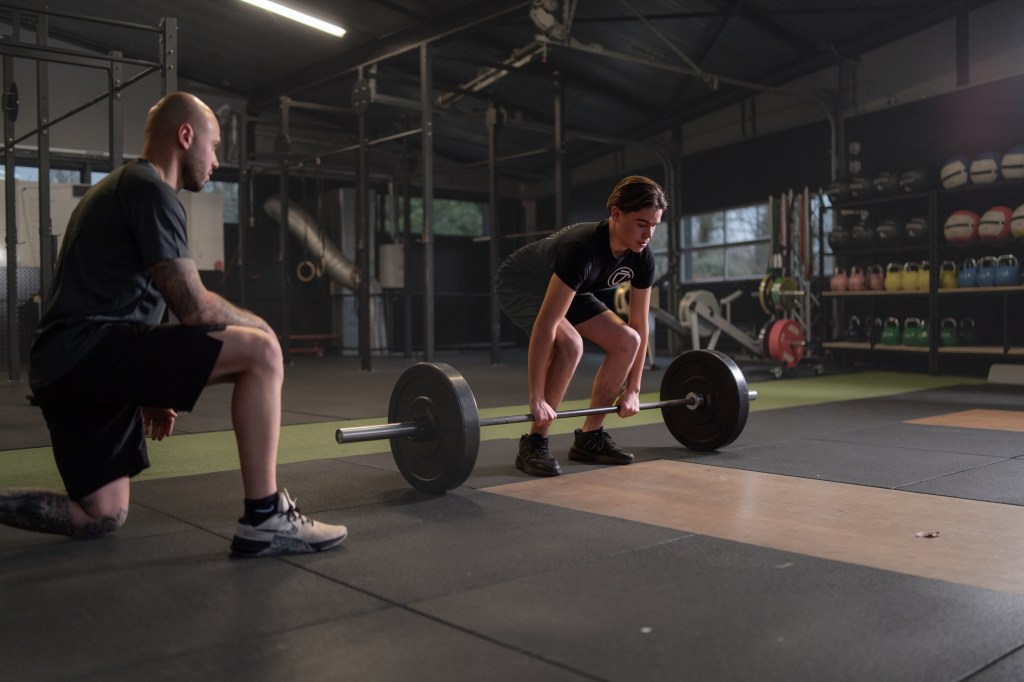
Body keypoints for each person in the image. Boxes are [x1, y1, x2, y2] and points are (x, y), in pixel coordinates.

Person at [0, 92, 347, 557]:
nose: (217, 161)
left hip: (66, 366)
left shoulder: (121, 188)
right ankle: (266, 517)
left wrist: (151, 390)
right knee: (262, 351)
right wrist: (263, 327)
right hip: (90, 352)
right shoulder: (150, 191)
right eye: (215, 145)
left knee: (101, 514)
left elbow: (135, 294)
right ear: (186, 136)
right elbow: (194, 308)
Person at [494, 175, 667, 477]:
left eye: (654, 225)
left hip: (571, 288)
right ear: (616, 213)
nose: (648, 233)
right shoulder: (582, 248)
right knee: (570, 344)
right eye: (641, 223)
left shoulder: (643, 257)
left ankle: (590, 438)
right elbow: (546, 326)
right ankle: (536, 440)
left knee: (627, 340)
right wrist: (536, 397)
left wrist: (634, 389)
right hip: (522, 284)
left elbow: (638, 324)